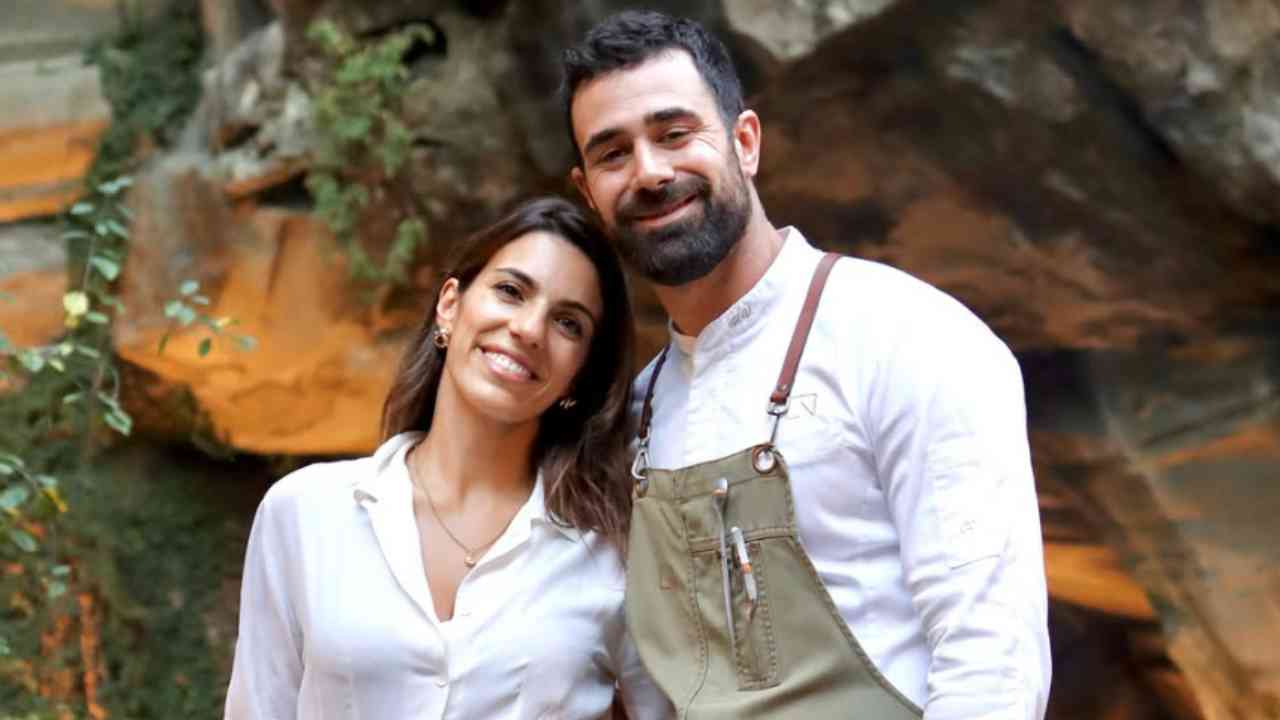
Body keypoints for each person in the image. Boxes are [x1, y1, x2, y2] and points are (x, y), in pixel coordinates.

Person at [561, 10, 1051, 719]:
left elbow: (993, 662)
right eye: (613, 154)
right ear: (588, 194)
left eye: (674, 134)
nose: (651, 171)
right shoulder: (636, 416)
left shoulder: (906, 337)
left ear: (745, 142)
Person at [224, 197, 673, 719]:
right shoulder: (305, 511)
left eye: (568, 323)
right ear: (450, 305)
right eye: (511, 291)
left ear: (581, 373)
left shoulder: (614, 549)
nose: (529, 329)